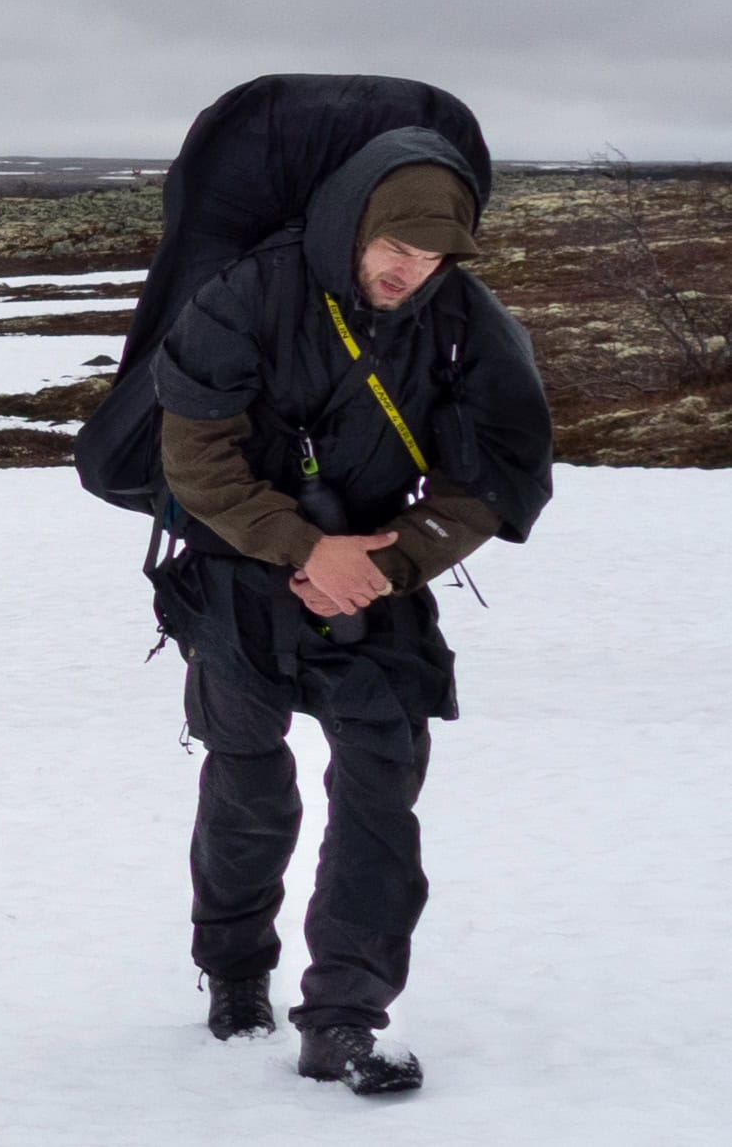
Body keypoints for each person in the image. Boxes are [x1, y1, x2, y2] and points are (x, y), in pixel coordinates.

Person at [146, 126, 553, 1094]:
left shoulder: (461, 318)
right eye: (397, 250)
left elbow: (494, 471)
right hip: (240, 576)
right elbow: (195, 457)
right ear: (356, 223)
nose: (411, 273)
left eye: (434, 256)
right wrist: (303, 547)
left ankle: (344, 1016)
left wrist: (395, 559)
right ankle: (238, 969)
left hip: (376, 582)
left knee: (379, 789)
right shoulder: (246, 293)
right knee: (249, 783)